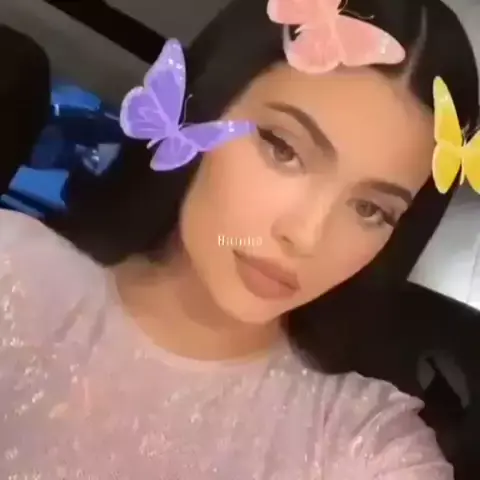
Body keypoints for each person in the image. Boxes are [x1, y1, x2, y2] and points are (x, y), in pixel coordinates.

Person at [1, 0, 479, 478]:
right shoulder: (12, 267)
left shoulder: (360, 441)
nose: (306, 235)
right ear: (202, 103)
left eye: (370, 209)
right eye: (283, 149)